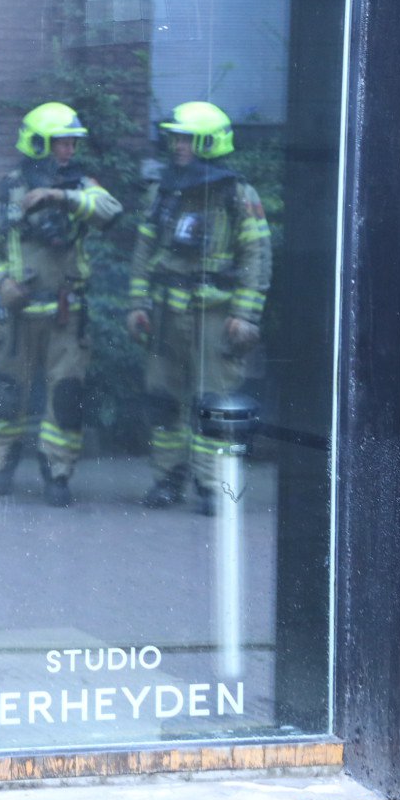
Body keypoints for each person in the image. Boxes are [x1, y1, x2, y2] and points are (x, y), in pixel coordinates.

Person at [0, 102, 121, 506]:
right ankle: (1, 466)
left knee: (67, 397)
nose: (69, 151)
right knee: (7, 394)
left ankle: (58, 473)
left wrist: (60, 195)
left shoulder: (80, 188)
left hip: (65, 317)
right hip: (17, 316)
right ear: (38, 144)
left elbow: (111, 210)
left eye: (72, 144)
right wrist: (0, 281)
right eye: (61, 144)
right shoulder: (3, 192)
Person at [127, 101, 271, 516]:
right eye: (175, 137)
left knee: (215, 401)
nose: (177, 145)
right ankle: (167, 479)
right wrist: (137, 303)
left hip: (215, 315)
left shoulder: (237, 195)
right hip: (166, 313)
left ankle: (212, 485)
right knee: (163, 400)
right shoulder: (164, 190)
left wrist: (245, 314)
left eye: (186, 137)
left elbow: (256, 256)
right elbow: (143, 249)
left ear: (208, 142)